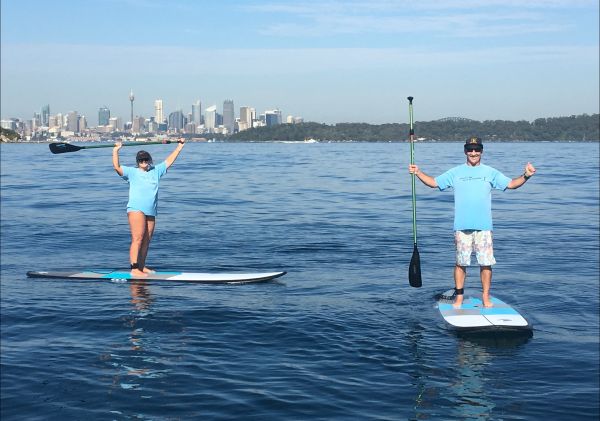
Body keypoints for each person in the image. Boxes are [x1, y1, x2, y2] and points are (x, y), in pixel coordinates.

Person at [408, 136, 536, 308]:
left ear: (481, 151)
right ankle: (459, 297)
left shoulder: (490, 172)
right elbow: (434, 183)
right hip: (462, 227)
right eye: (470, 149)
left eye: (476, 149)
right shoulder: (456, 172)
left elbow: (512, 184)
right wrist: (418, 172)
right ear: (465, 151)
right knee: (461, 263)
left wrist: (526, 176)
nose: (473, 153)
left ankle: (485, 297)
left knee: (486, 263)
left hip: (484, 227)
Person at [113, 139, 185, 277]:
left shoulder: (156, 171)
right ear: (137, 162)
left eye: (146, 160)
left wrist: (179, 147)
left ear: (150, 160)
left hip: (151, 210)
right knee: (138, 238)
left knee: (147, 239)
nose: (144, 162)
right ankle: (134, 268)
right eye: (141, 160)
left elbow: (169, 161)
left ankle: (141, 266)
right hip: (136, 209)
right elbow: (117, 167)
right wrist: (116, 150)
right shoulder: (132, 172)